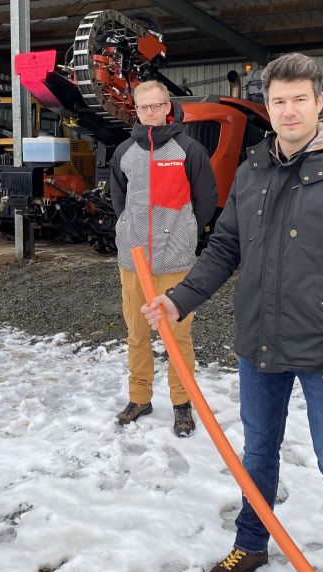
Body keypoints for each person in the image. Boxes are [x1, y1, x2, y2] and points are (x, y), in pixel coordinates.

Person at [142, 53, 323, 572]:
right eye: (278, 101)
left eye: (300, 98)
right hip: (258, 344)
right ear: (269, 107)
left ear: (320, 102)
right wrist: (181, 299)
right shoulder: (254, 168)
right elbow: (226, 246)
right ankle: (252, 542)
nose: (289, 110)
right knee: (258, 453)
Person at [110, 80, 217, 438]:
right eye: (144, 107)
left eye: (157, 106)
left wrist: (187, 231)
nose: (151, 113)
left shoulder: (189, 149)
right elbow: (119, 201)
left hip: (175, 262)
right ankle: (139, 397)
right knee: (137, 334)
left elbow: (205, 200)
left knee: (177, 336)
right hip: (133, 261)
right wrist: (130, 233)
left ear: (168, 107)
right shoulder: (124, 151)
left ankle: (182, 402)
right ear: (135, 110)